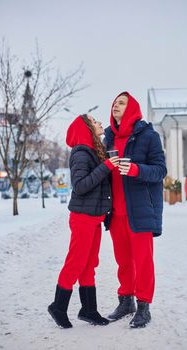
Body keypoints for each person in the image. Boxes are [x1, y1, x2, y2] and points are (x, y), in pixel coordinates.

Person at [48, 114, 119, 328]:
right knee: (76, 262)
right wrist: (106, 166)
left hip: (94, 218)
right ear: (87, 129)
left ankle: (89, 310)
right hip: (82, 218)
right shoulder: (80, 153)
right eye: (95, 121)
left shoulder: (95, 151)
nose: (99, 123)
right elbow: (80, 186)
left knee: (90, 264)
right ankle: (58, 307)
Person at [104, 92, 167, 328]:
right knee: (123, 261)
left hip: (139, 210)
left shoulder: (149, 136)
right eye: (114, 103)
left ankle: (143, 306)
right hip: (115, 211)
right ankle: (125, 301)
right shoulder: (108, 138)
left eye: (121, 103)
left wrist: (135, 169)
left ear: (132, 108)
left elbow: (160, 170)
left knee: (142, 261)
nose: (115, 106)